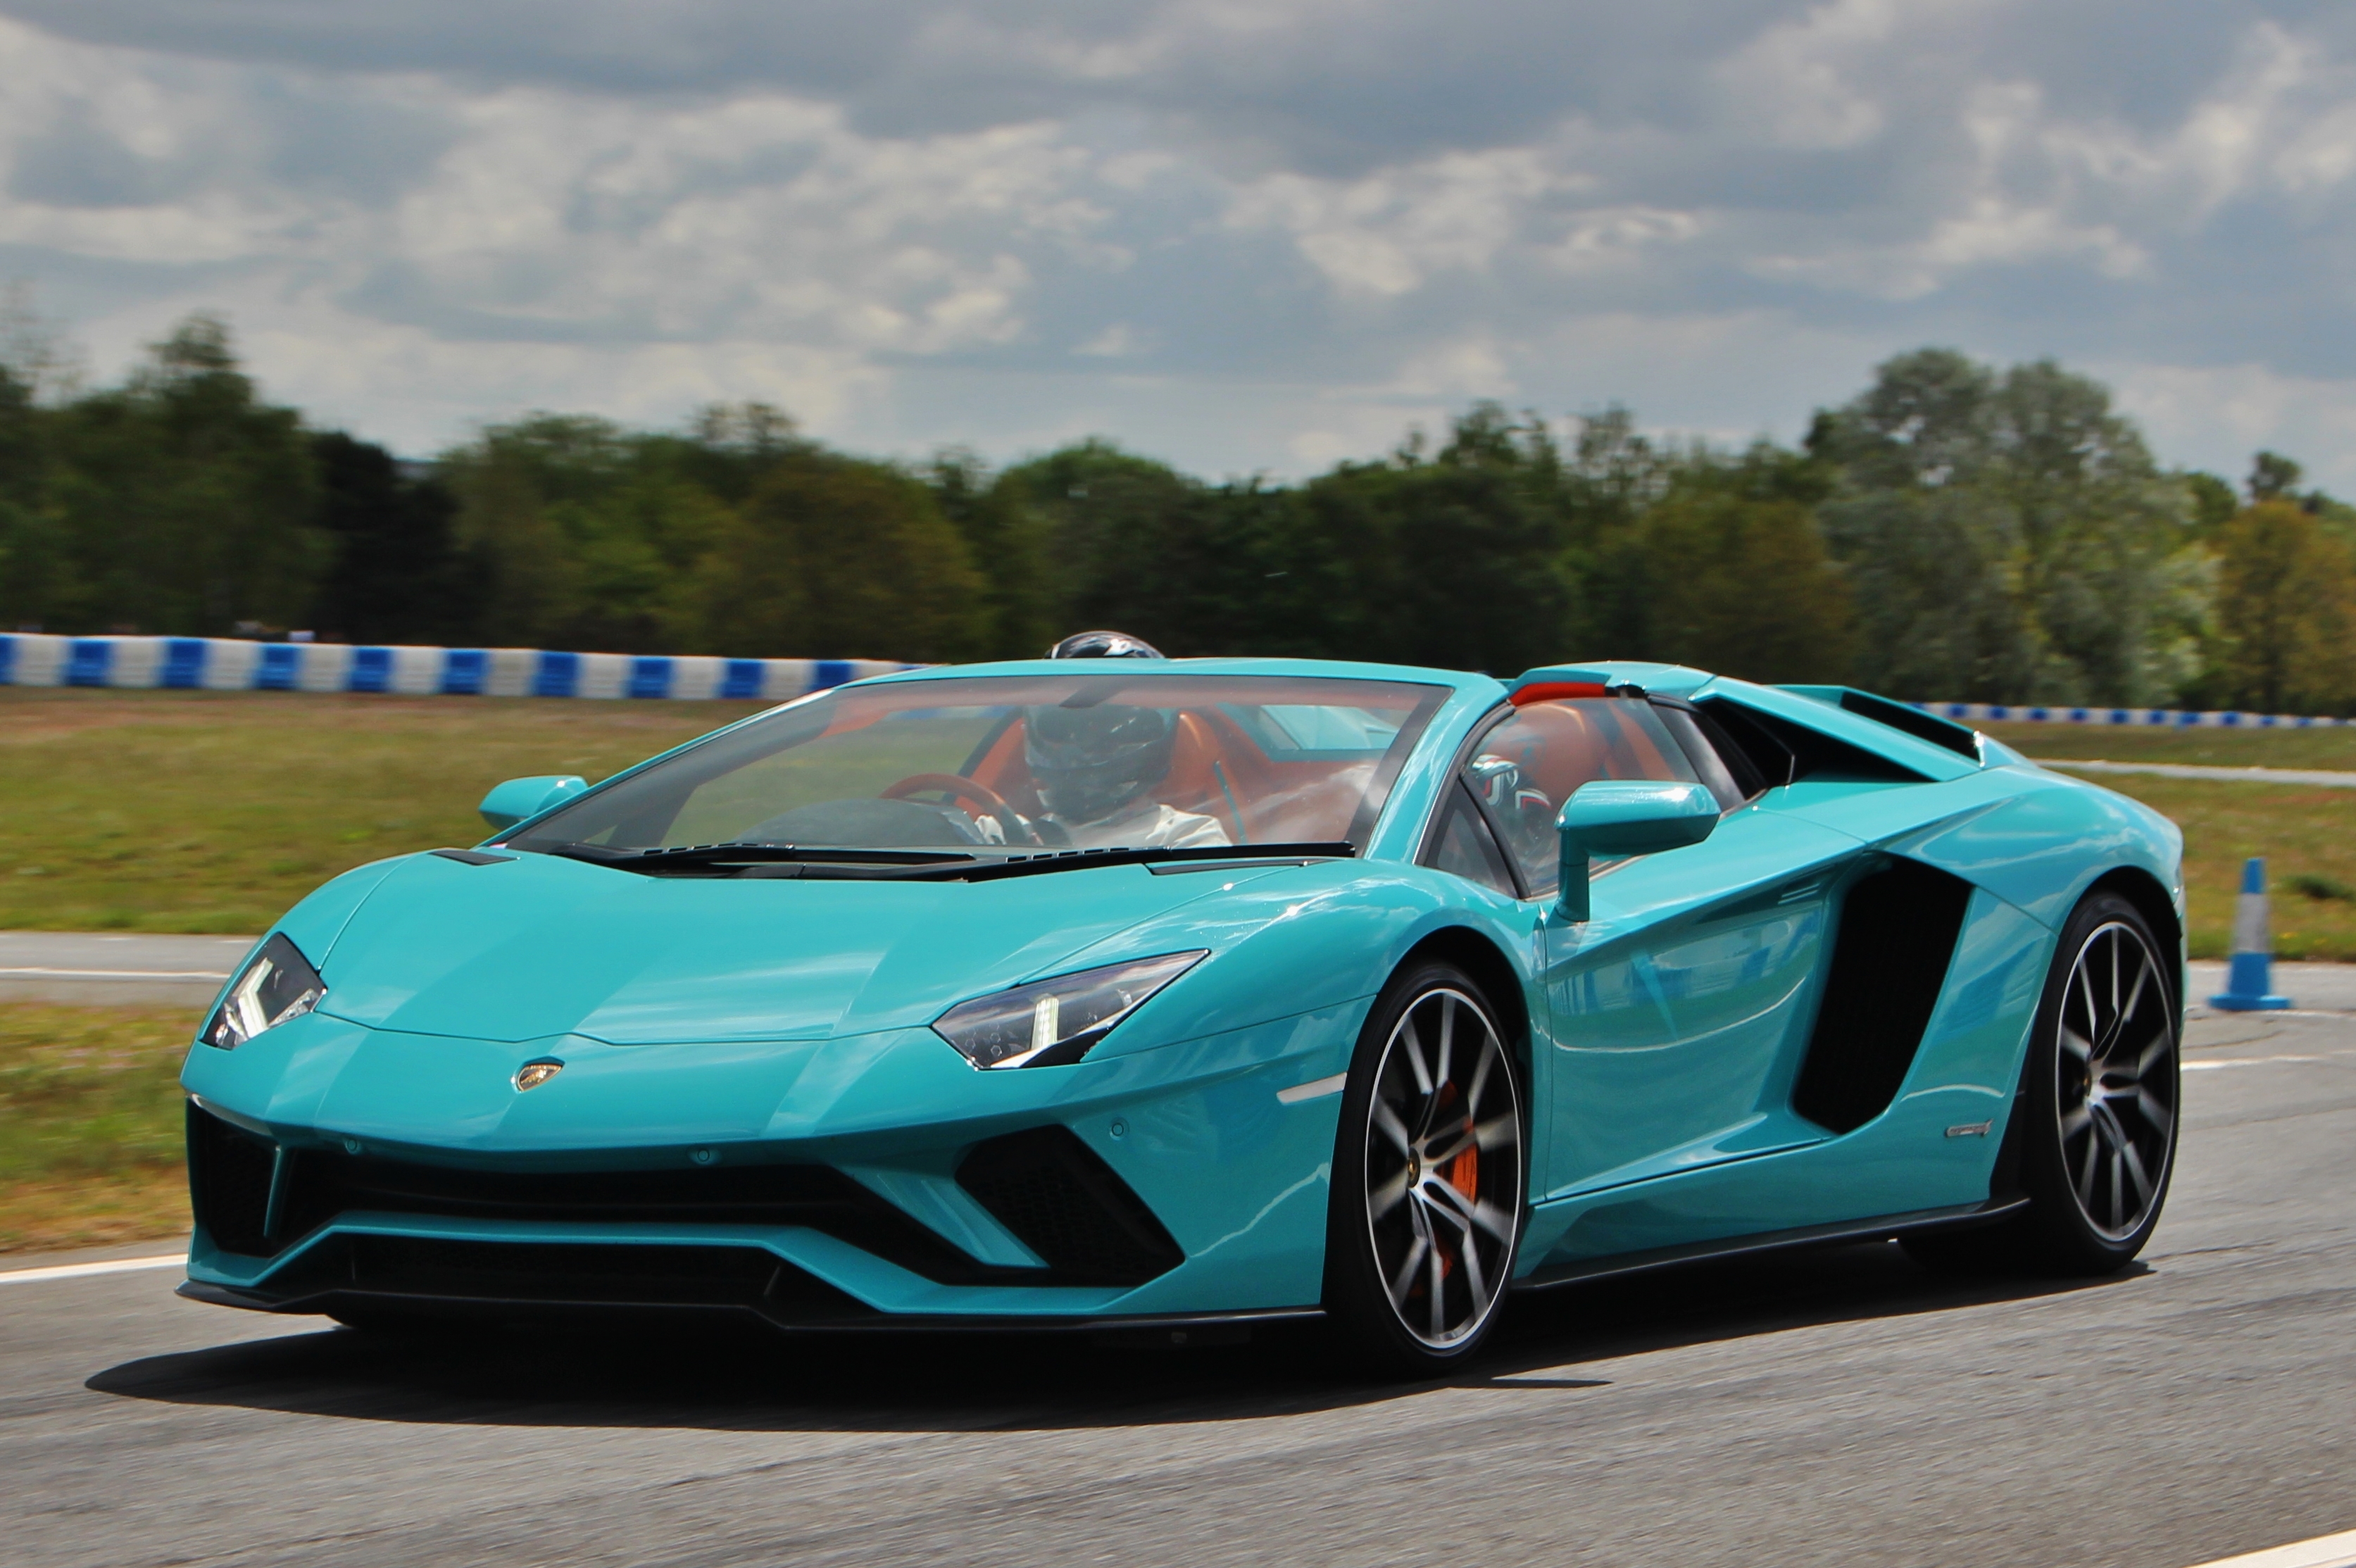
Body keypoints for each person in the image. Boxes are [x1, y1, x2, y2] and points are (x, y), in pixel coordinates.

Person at [1024, 700, 1230, 850]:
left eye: (1103, 734)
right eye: (1064, 729)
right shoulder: (1019, 835)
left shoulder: (1189, 834)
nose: (1085, 751)